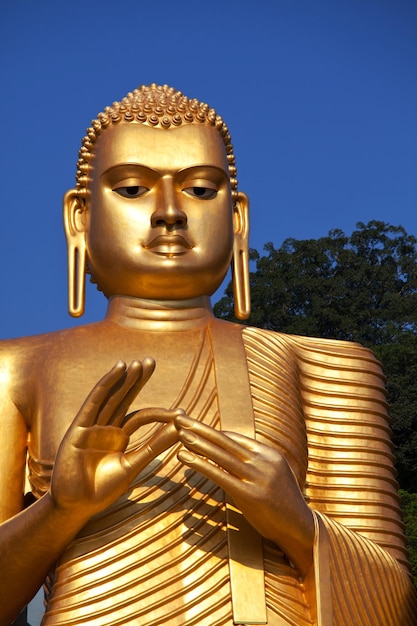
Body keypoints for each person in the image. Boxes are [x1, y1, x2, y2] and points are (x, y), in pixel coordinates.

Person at [0, 84, 415, 626]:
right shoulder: (19, 367)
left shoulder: (321, 365)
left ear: (237, 217)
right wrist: (61, 511)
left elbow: (394, 603)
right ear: (79, 217)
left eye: (200, 189)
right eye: (131, 188)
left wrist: (294, 520)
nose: (170, 214)